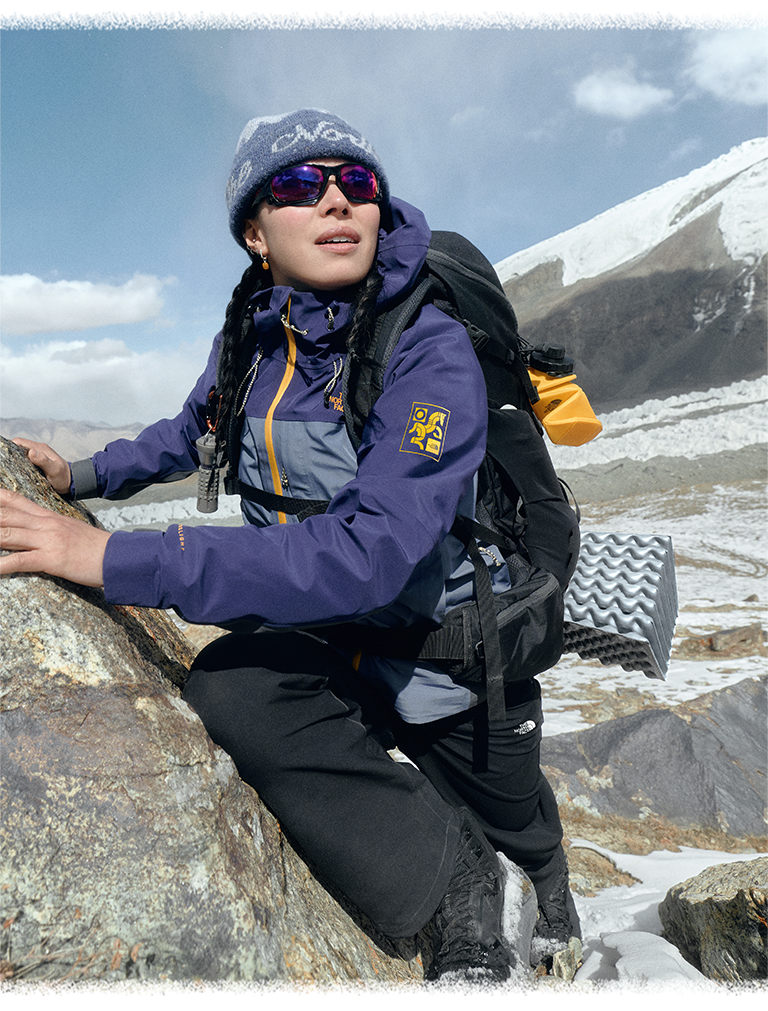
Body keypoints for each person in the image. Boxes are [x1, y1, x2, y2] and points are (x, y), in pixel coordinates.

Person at [0, 110, 578, 994]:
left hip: (449, 657)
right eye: (302, 185)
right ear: (255, 233)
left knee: (520, 831)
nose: (337, 200)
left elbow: (369, 554)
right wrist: (79, 473)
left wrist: (113, 560)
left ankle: (534, 880)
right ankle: (454, 883)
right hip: (330, 637)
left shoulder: (428, 348)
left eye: (358, 183)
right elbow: (190, 433)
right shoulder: (256, 335)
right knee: (232, 688)